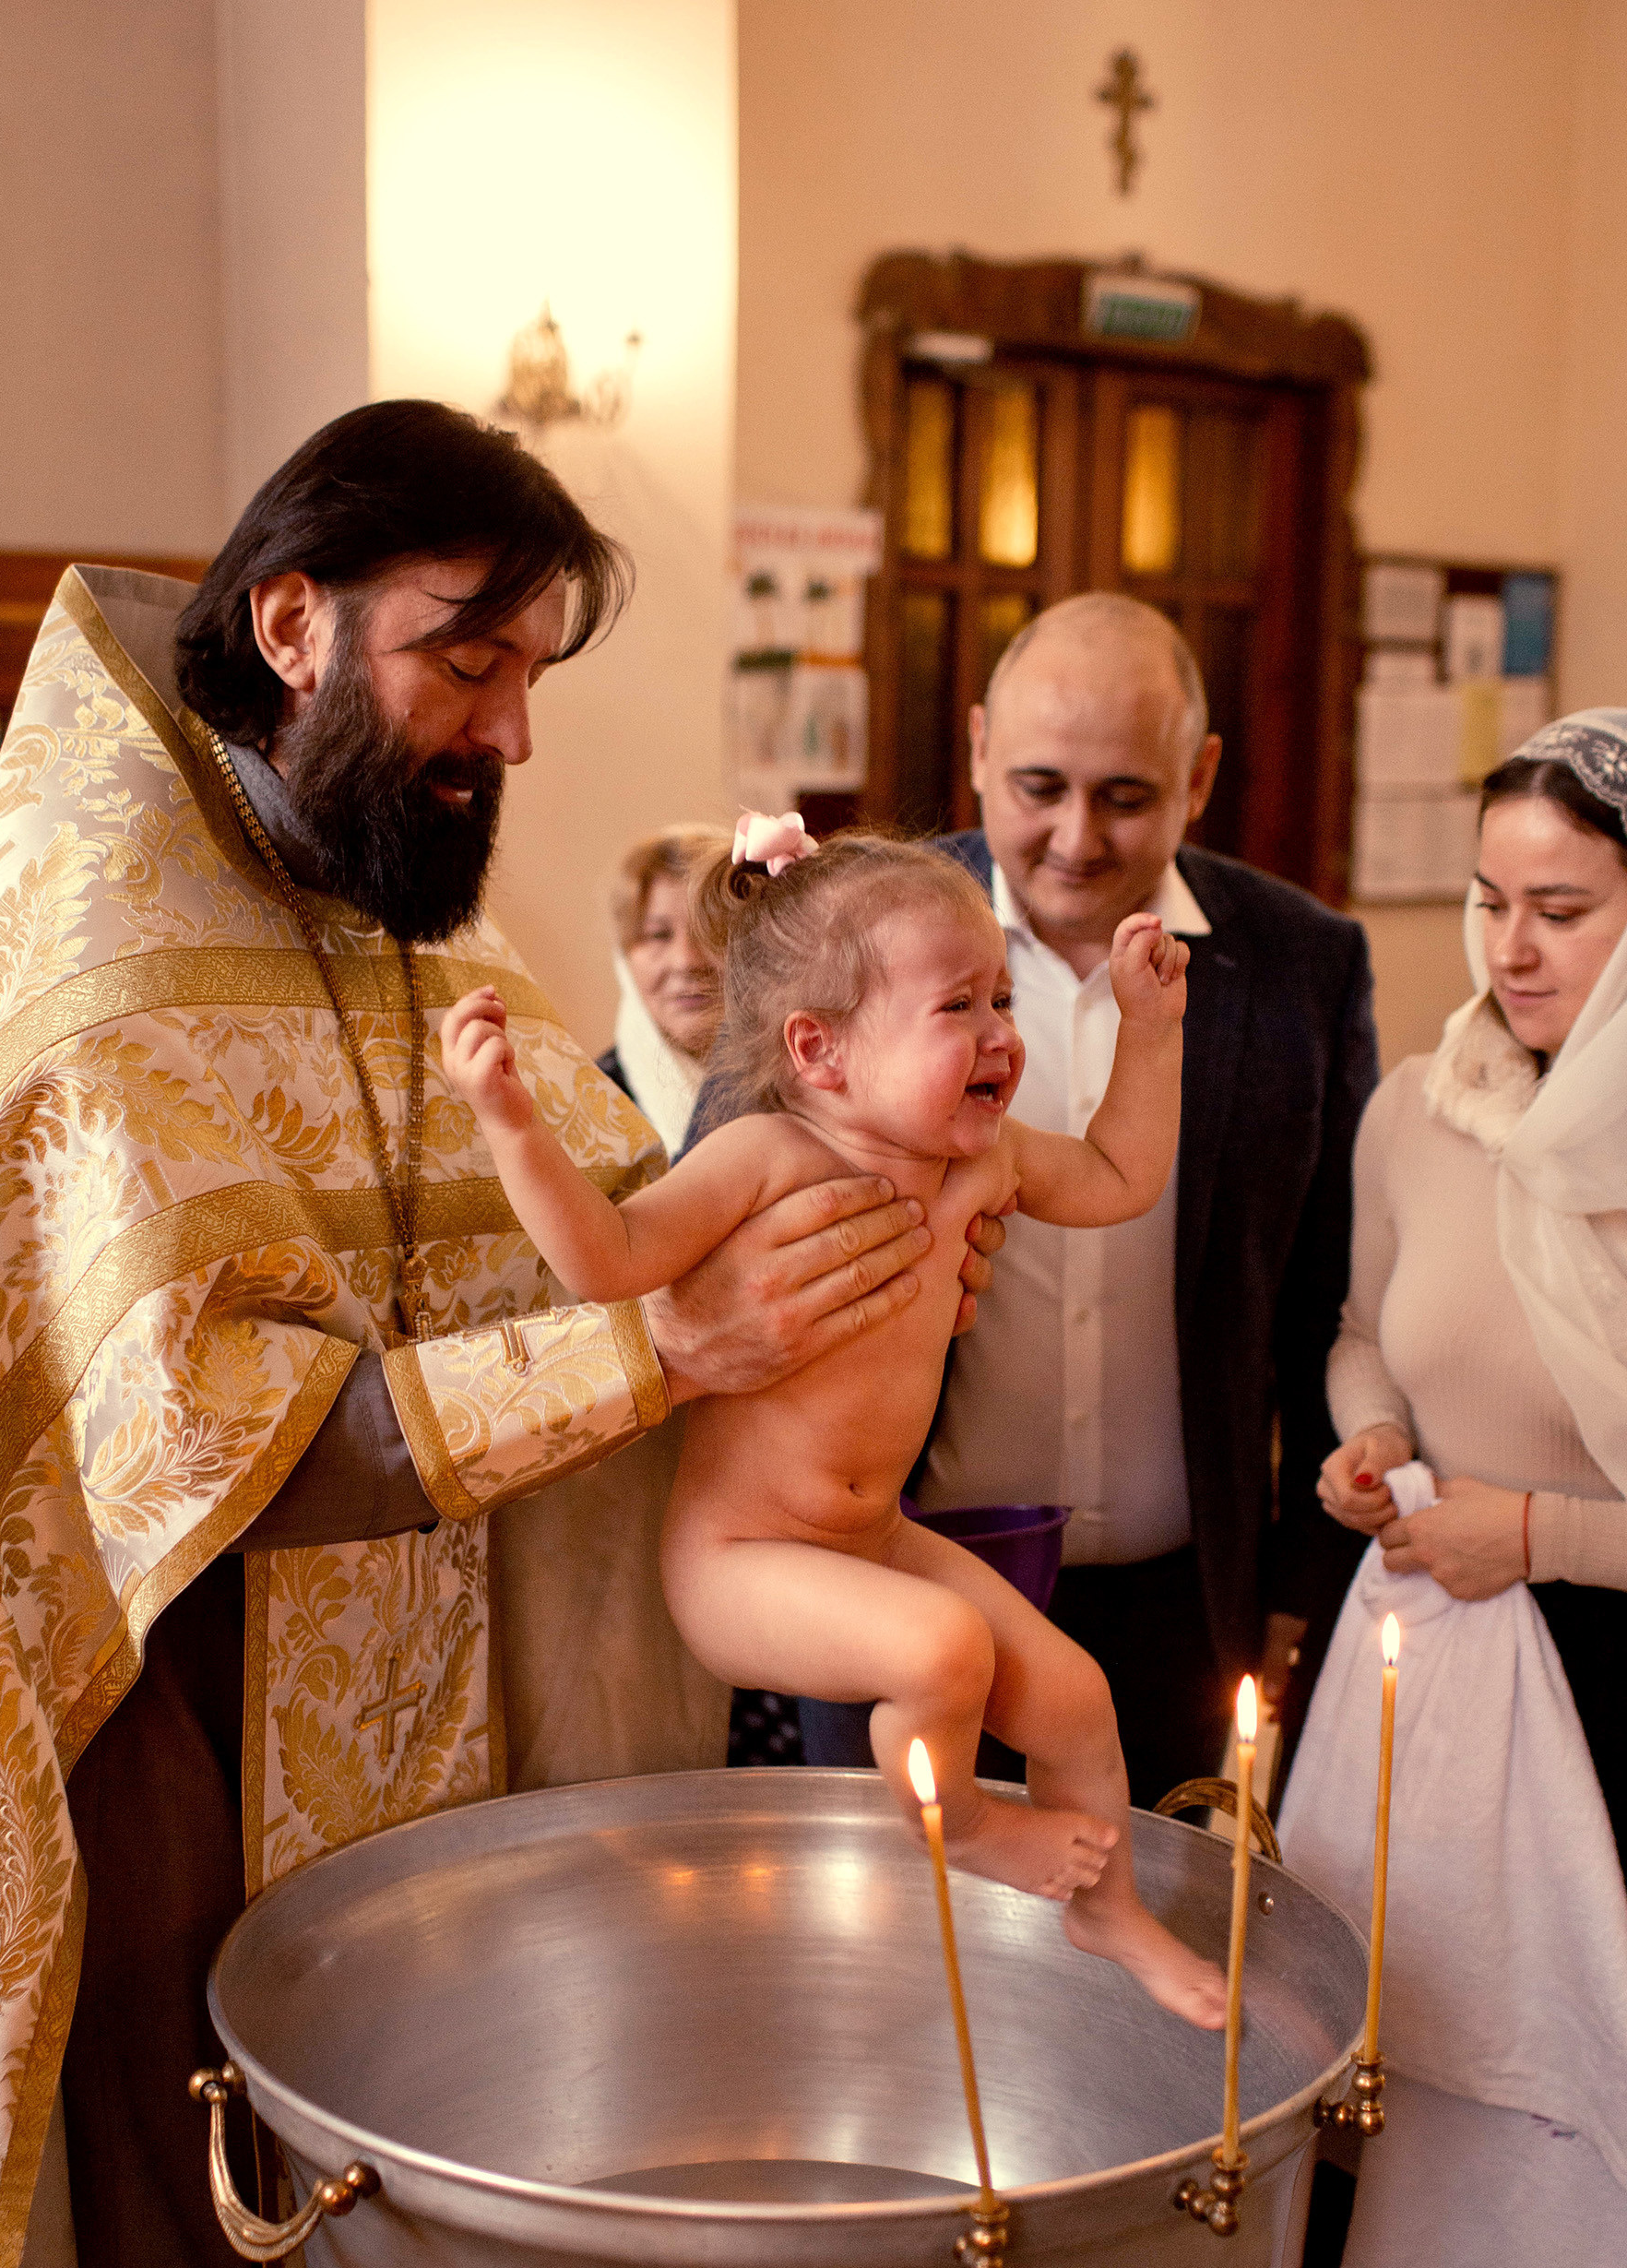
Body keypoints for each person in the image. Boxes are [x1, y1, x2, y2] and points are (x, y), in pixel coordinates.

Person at [0, 406, 1001, 2268]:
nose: (511, 734)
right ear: (292, 624)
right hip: (159, 1750)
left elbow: (621, 1212)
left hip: (427, 1747)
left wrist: (838, 1189)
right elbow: (184, 1439)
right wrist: (655, 1347)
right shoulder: (88, 957)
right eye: (471, 661)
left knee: (467, 2234)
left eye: (534, 673)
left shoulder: (384, 913)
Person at [443, 813, 1226, 2029]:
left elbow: (1122, 1177)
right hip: (739, 1560)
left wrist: (1150, 1031)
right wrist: (510, 1126)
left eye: (1001, 998)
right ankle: (962, 1825)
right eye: (957, 1006)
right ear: (819, 1051)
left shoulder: (987, 1162)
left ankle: (1109, 1909)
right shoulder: (764, 1156)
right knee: (943, 1650)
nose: (1001, 1034)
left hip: (872, 1538)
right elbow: (609, 1260)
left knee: (1074, 1694)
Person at [1184, 712, 1627, 2268]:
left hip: (1610, 1684)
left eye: (1565, 911)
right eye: (1487, 899)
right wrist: (1366, 1439)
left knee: (1599, 2117)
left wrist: (1531, 1530)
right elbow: (1363, 1327)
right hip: (1429, 1644)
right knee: (1371, 2083)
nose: (1508, 949)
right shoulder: (1419, 1109)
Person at [798, 595, 1379, 1811]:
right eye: (1038, 787)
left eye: (1123, 795)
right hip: (898, 1584)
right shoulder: (848, 935)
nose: (1074, 836)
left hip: (1185, 1605)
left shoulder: (1303, 964)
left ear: (1199, 776)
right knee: (909, 1918)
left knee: (1155, 1908)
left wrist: (1302, 1590)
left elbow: (1329, 1296)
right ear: (976, 749)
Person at [597, 823, 729, 1155]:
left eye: (710, 930)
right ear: (624, 957)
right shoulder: (591, 1101)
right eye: (658, 935)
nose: (687, 961)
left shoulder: (811, 1080)